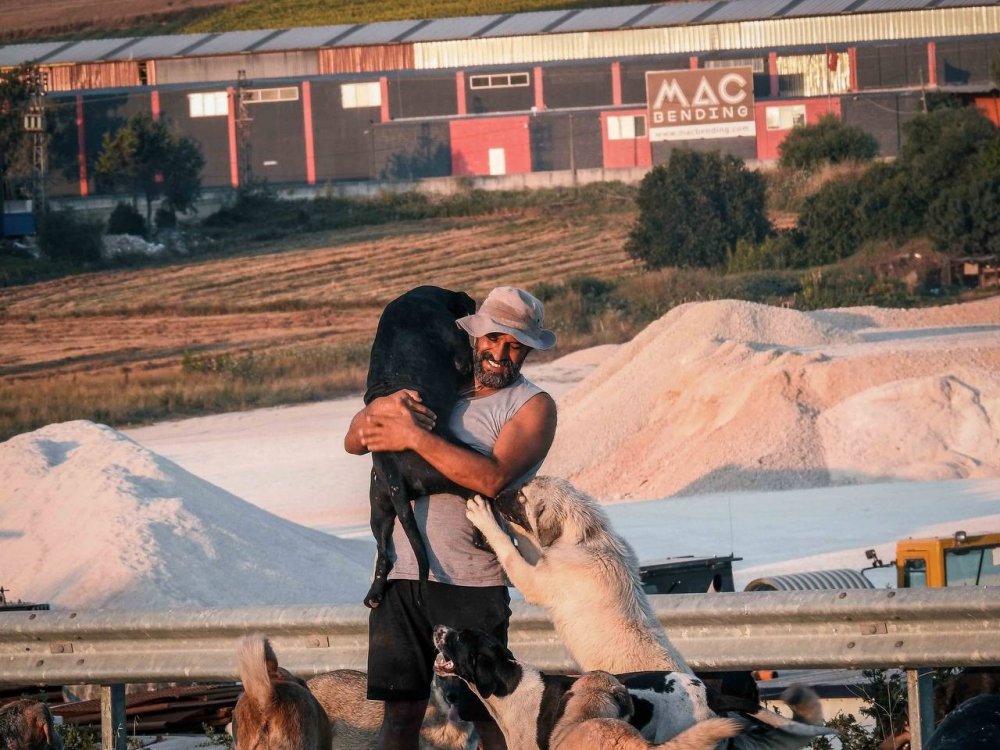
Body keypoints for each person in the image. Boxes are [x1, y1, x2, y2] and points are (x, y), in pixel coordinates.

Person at [344, 286, 558, 750]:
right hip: (399, 575)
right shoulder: (435, 381)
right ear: (476, 334)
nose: (502, 354)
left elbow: (491, 478)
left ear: (529, 351)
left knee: (488, 717)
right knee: (400, 719)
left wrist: (413, 437)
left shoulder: (532, 406)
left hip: (473, 582)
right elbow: (355, 441)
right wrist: (370, 418)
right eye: (495, 339)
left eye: (516, 346)